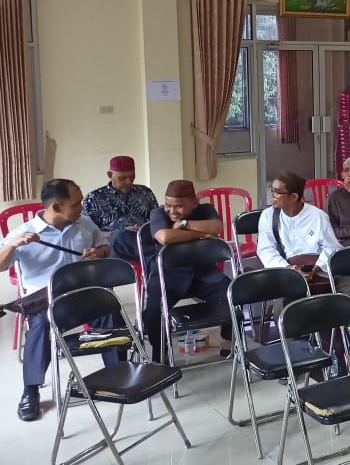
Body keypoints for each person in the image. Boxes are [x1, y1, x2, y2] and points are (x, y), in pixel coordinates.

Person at [1, 179, 119, 422]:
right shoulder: (24, 233)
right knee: (40, 328)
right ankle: (31, 390)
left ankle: (118, 374)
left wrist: (99, 253)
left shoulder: (84, 224)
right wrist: (12, 245)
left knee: (110, 309)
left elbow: (104, 245)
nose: (81, 208)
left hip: (82, 294)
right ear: (56, 207)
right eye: (76, 204)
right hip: (48, 302)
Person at [140, 179, 232, 363]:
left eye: (179, 206)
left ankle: (228, 339)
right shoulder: (158, 213)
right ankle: (161, 349)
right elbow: (164, 237)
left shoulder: (205, 210)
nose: (172, 211)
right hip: (167, 275)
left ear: (194, 203)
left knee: (233, 294)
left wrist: (183, 224)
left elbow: (217, 228)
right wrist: (200, 233)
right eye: (168, 205)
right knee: (152, 312)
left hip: (203, 273)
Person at [257, 171, 350, 305]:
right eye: (272, 190)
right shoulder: (268, 216)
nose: (272, 195)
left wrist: (316, 268)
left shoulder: (317, 216)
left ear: (293, 197)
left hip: (321, 270)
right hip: (287, 272)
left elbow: (332, 247)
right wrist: (289, 268)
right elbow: (265, 250)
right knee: (282, 303)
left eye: (277, 192)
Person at [81, 155, 158, 264]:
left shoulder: (145, 192)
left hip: (144, 238)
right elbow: (88, 232)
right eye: (123, 178)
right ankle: (157, 261)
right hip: (113, 243)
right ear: (110, 175)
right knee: (121, 236)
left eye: (132, 177)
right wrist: (116, 232)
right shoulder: (94, 198)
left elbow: (156, 220)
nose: (128, 182)